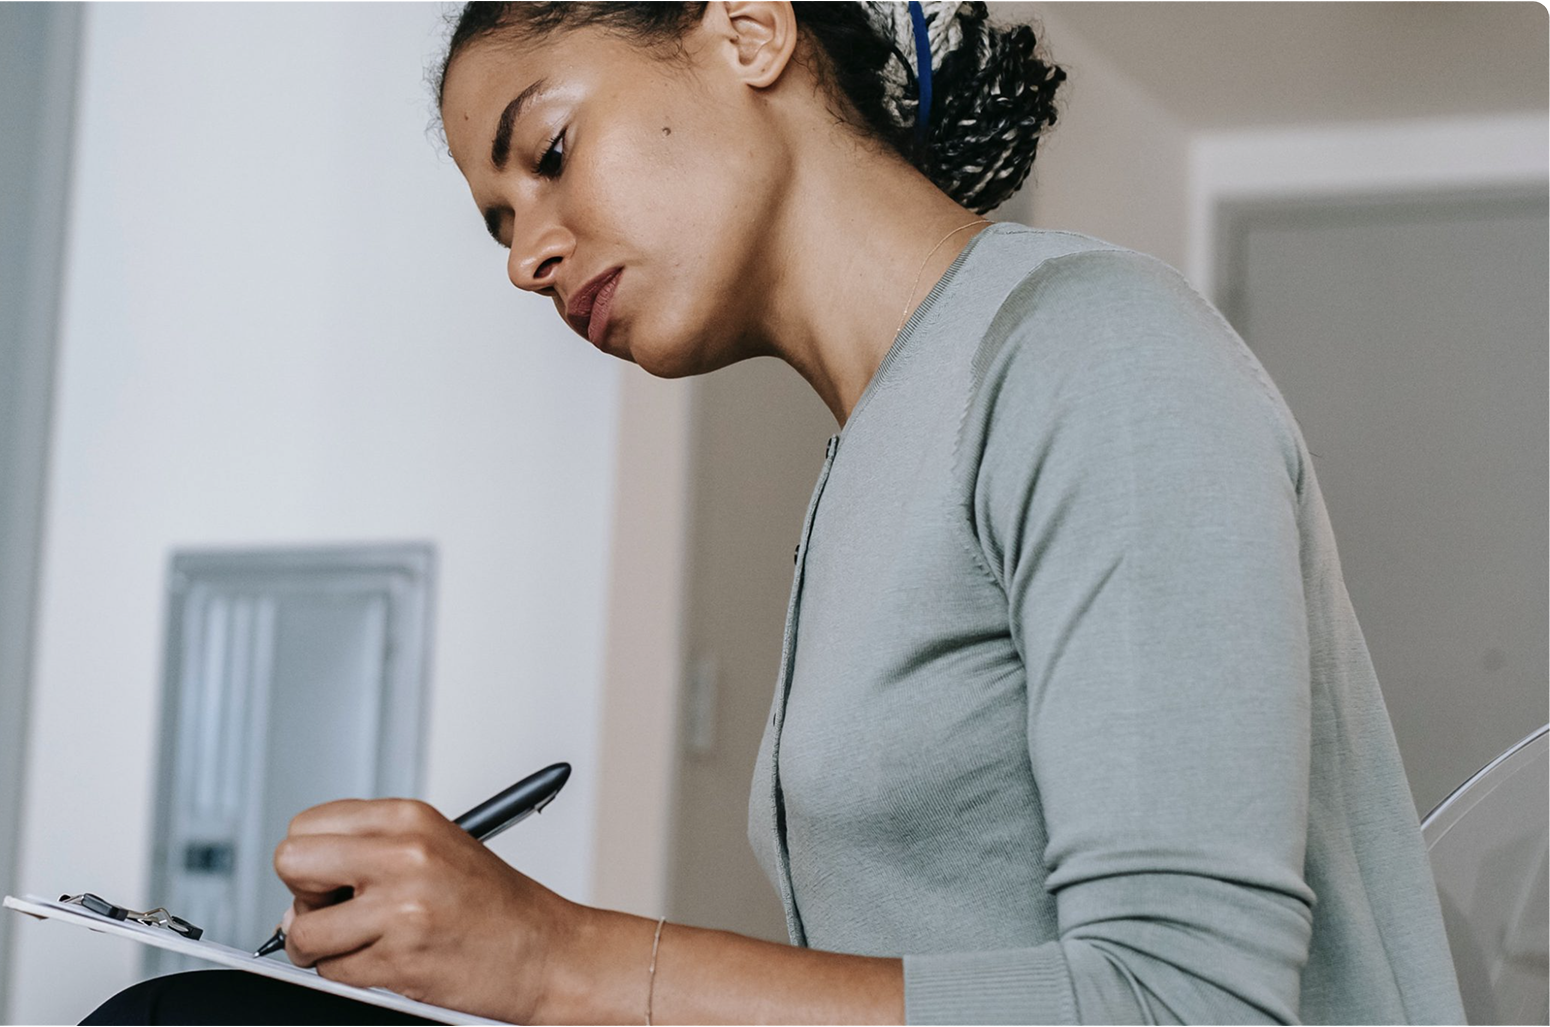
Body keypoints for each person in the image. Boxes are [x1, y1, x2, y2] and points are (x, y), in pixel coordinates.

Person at [88, 2, 1466, 1022]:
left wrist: (556, 958)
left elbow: (1190, 1006)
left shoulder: (1096, 352)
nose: (526, 255)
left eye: (549, 152)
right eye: (498, 222)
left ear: (747, 30)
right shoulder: (871, 463)